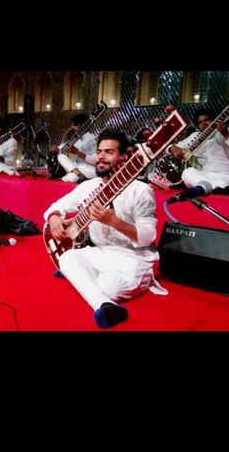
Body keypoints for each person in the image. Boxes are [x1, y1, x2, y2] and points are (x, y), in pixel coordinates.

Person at [44, 128, 160, 329]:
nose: (101, 157)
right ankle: (104, 304)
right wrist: (54, 218)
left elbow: (148, 237)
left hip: (134, 259)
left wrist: (114, 222)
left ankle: (91, 288)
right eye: (99, 152)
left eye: (109, 152)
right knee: (66, 257)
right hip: (101, 252)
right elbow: (55, 208)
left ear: (123, 158)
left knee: (107, 287)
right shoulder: (89, 186)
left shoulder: (141, 190)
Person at [168, 107, 229, 195]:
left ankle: (206, 187)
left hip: (228, 176)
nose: (204, 123)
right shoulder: (196, 136)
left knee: (223, 183)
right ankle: (214, 188)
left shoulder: (228, 132)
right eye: (200, 122)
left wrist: (226, 135)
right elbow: (171, 147)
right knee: (187, 173)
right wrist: (172, 148)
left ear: (214, 120)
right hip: (206, 175)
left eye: (207, 120)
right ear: (197, 126)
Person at [49, 112, 98, 182]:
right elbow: (63, 147)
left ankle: (79, 176)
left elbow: (95, 161)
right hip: (77, 168)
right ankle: (79, 175)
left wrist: (78, 152)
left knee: (70, 178)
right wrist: (55, 148)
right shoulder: (76, 139)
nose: (72, 127)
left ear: (81, 126)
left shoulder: (92, 139)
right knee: (60, 156)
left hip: (89, 169)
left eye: (74, 125)